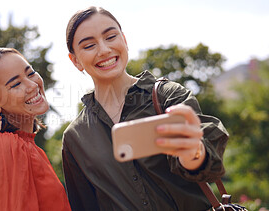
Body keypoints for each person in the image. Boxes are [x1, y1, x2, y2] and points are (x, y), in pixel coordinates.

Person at [62, 6, 228, 211]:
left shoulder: (168, 96)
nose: (104, 50)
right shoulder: (75, 137)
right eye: (89, 45)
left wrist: (193, 153)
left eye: (111, 37)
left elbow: (211, 163)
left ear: (124, 39)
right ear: (75, 60)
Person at [0, 47, 71, 210]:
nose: (32, 85)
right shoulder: (4, 146)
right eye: (16, 84)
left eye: (31, 73)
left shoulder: (29, 147)